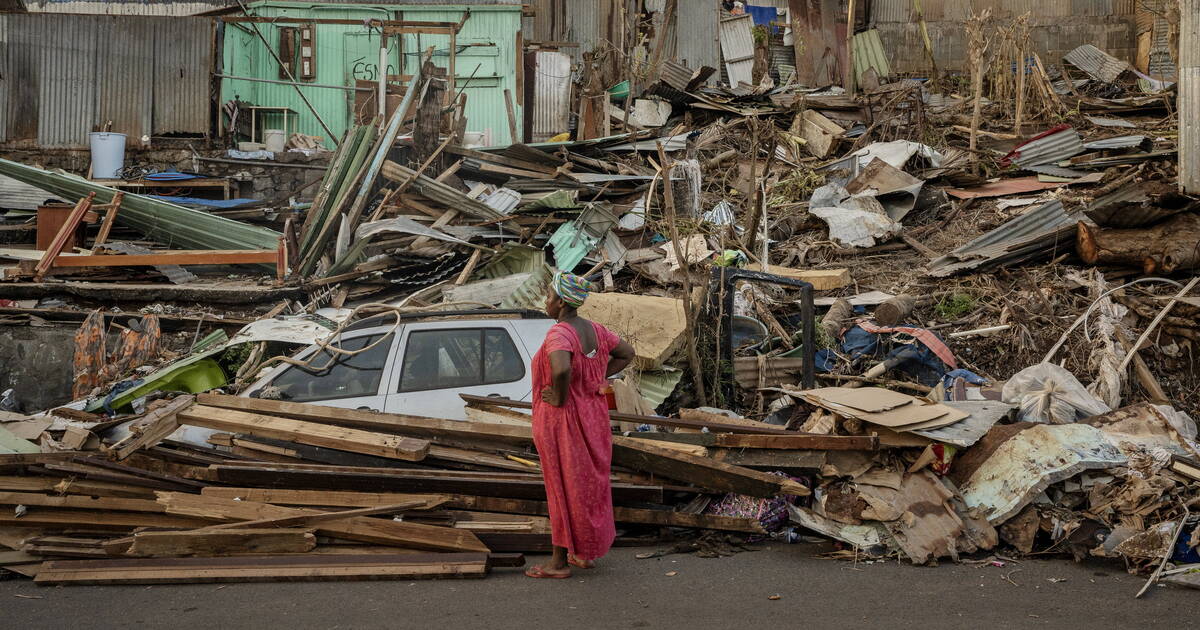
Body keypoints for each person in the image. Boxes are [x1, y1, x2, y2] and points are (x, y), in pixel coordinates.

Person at [525, 272, 635, 579]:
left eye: (548, 296)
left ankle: (558, 563)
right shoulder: (596, 331)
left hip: (563, 421)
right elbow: (627, 353)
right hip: (593, 417)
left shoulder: (559, 333)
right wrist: (596, 379)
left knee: (561, 487)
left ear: (561, 302)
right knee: (587, 487)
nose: (546, 302)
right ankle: (582, 553)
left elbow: (560, 368)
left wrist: (559, 396)